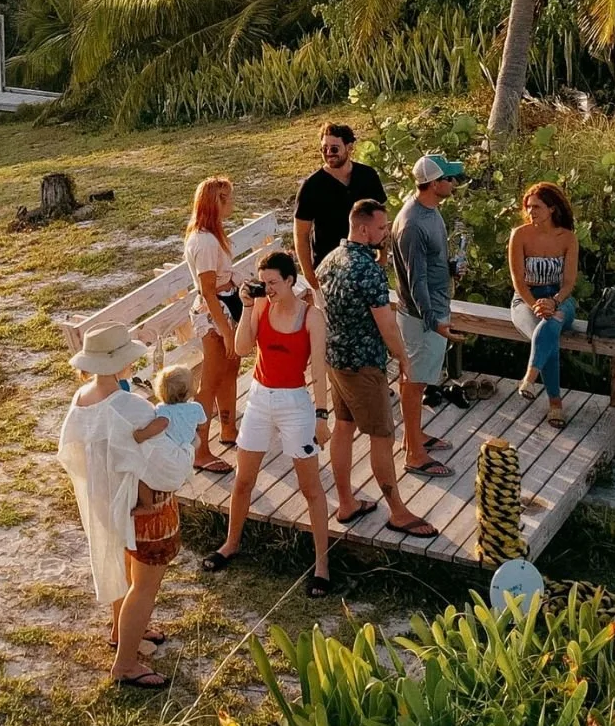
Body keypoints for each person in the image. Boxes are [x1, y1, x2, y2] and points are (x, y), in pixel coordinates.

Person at [56, 322, 192, 690]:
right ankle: (126, 665)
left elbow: (71, 450)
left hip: (106, 501)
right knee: (144, 586)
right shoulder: (132, 405)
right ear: (120, 364)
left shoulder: (81, 398)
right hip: (142, 509)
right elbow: (166, 469)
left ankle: (122, 632)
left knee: (125, 572)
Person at [200, 251, 337, 597]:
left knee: (311, 488)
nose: (269, 289)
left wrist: (322, 416)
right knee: (243, 479)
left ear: (291, 280)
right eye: (265, 283)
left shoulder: (312, 316)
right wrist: (247, 307)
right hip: (260, 397)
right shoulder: (261, 305)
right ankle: (231, 543)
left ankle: (322, 565)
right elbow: (242, 348)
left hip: (294, 401)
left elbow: (319, 370)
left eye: (274, 282)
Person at [316, 199, 440, 538]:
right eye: (382, 228)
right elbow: (386, 324)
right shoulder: (367, 269)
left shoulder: (329, 260)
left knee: (343, 427)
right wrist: (403, 357)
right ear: (363, 228)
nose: (386, 233)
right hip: (364, 365)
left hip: (335, 359)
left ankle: (346, 503)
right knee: (382, 436)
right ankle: (398, 512)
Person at [391, 153, 466, 478]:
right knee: (414, 381)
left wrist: (450, 269)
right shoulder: (413, 224)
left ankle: (414, 435)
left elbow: (429, 266)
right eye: (449, 178)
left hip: (431, 310)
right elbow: (415, 280)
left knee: (416, 380)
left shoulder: (430, 211)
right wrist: (434, 321)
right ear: (433, 184)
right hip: (422, 317)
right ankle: (414, 454)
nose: (454, 183)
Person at [508, 183, 583, 428]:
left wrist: (554, 301)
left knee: (552, 322)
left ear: (551, 208)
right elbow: (518, 281)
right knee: (547, 333)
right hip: (526, 299)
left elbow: (569, 282)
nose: (531, 212)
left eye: (537, 207)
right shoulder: (519, 235)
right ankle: (555, 404)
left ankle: (530, 377)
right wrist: (536, 306)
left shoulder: (568, 238)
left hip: (560, 298)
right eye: (528, 207)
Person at [182, 176, 242, 474]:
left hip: (226, 306)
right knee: (211, 380)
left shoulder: (212, 234)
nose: (232, 201)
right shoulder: (205, 241)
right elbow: (207, 290)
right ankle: (200, 450)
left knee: (231, 369)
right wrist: (227, 330)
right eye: (228, 197)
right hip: (213, 313)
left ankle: (228, 429)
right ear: (217, 201)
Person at [292, 122, 387, 290]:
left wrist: (383, 257)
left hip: (365, 266)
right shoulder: (311, 187)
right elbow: (301, 234)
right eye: (324, 149)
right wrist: (309, 275)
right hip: (328, 272)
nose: (329, 153)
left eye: (334, 148)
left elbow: (382, 221)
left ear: (349, 147)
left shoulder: (368, 176)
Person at [151, 365, 205, 449]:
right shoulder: (196, 407)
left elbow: (161, 424)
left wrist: (141, 435)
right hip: (189, 444)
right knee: (197, 440)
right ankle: (191, 460)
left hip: (170, 447)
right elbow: (202, 425)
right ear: (189, 391)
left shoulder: (162, 408)